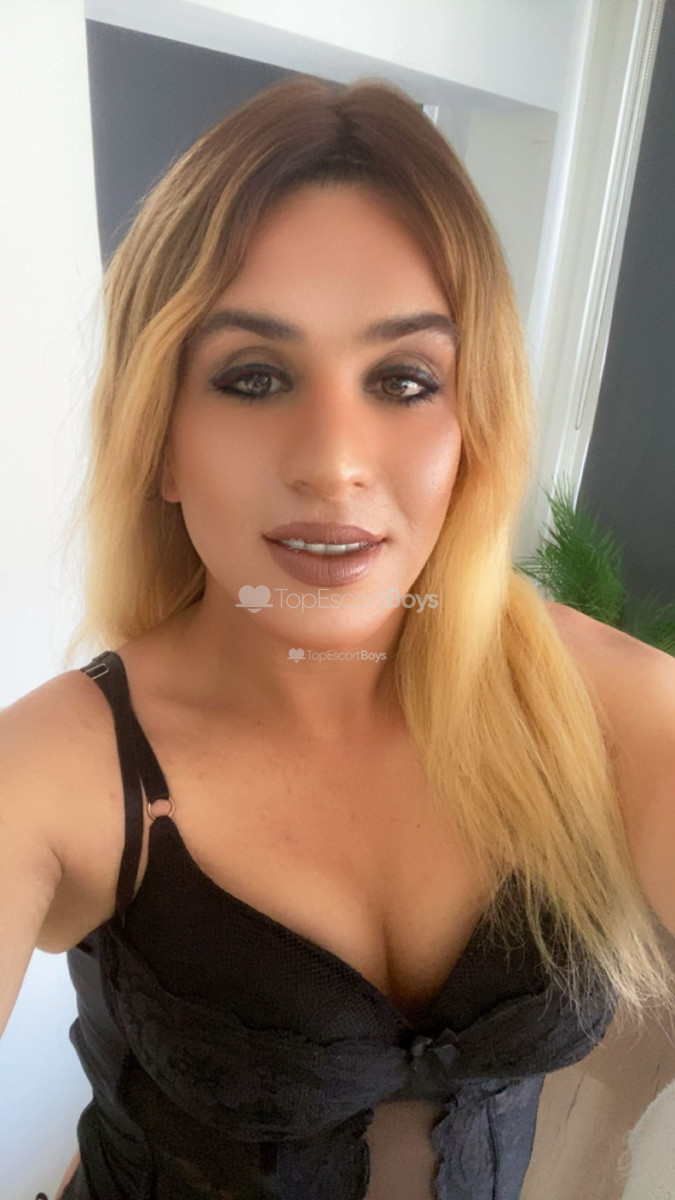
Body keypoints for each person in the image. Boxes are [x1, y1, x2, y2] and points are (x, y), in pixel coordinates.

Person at [2, 74, 674, 1200]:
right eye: (254, 377)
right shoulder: (56, 772)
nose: (334, 462)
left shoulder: (610, 709)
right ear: (161, 444)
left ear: (473, 427)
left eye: (403, 379)